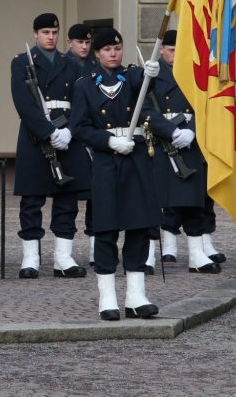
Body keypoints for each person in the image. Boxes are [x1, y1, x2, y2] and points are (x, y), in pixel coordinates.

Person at [72, 27, 162, 319]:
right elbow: (80, 128)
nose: (114, 53)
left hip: (135, 158)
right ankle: (107, 298)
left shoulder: (133, 77)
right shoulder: (85, 85)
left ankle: (136, 296)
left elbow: (148, 85)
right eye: (107, 49)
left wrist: (153, 72)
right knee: (107, 229)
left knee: (137, 227)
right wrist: (109, 141)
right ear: (97, 53)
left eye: (117, 48)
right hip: (106, 161)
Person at [10, 13, 91, 279]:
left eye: (54, 32)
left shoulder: (72, 64)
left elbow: (81, 102)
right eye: (45, 32)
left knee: (67, 199)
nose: (51, 37)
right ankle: (31, 257)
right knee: (32, 199)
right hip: (36, 137)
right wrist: (47, 132)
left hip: (68, 134)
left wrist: (68, 131)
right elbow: (24, 104)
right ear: (35, 34)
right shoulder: (22, 63)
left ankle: (62, 257)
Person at [146, 29, 222, 274]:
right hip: (161, 144)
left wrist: (191, 130)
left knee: (193, 201)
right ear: (162, 51)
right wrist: (170, 131)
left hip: (189, 143)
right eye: (170, 50)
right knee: (155, 202)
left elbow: (206, 106)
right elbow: (145, 109)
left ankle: (197, 254)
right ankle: (147, 254)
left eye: (179, 50)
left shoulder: (195, 74)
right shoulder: (151, 75)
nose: (175, 54)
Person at [64, 22, 97, 266]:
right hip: (71, 137)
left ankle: (97, 248)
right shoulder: (63, 65)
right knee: (70, 197)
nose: (84, 46)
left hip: (93, 137)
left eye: (87, 42)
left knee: (96, 196)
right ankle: (65, 252)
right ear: (70, 43)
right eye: (79, 42)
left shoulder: (96, 66)